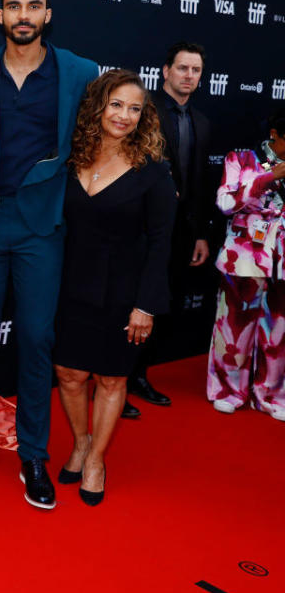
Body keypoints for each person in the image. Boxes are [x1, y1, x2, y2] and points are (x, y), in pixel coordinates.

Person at [0, 0, 98, 510]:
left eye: (33, 6)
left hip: (45, 226)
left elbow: (102, 137)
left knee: (37, 340)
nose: (23, 14)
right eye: (13, 6)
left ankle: (34, 453)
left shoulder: (80, 74)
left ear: (47, 14)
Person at [53, 69, 177, 506]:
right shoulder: (71, 158)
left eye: (134, 108)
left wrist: (146, 305)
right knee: (69, 374)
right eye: (116, 105)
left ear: (144, 117)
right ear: (99, 107)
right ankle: (81, 440)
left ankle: (96, 460)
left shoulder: (153, 171)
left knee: (109, 378)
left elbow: (162, 242)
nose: (124, 115)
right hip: (70, 283)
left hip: (124, 291)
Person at [125, 42, 212, 417]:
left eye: (195, 70)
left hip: (182, 233)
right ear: (165, 71)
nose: (188, 76)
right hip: (142, 230)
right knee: (131, 304)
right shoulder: (144, 113)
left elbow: (200, 182)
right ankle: (115, 380)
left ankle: (138, 376)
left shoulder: (203, 121)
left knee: (162, 306)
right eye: (182, 68)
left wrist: (201, 234)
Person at [207, 108, 285, 422]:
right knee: (233, 327)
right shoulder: (241, 159)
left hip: (281, 260)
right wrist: (270, 177)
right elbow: (226, 203)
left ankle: (271, 393)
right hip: (243, 257)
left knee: (278, 331)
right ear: (275, 136)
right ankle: (228, 390)